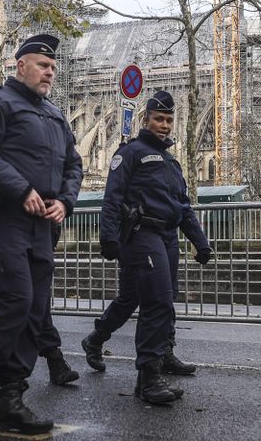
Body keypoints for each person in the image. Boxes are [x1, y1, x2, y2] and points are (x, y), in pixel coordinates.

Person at [0, 33, 83, 436]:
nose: (50, 72)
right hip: (4, 216)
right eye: (43, 65)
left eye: (53, 67)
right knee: (16, 300)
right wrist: (21, 189)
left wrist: (66, 200)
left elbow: (74, 164)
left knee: (35, 309)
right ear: (20, 64)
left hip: (42, 222)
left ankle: (11, 398)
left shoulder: (55, 115)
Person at [84, 90, 213, 405]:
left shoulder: (171, 162)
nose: (164, 125)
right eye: (158, 119)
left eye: (169, 120)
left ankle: (102, 341)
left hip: (167, 237)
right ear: (145, 120)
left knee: (134, 299)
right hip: (141, 236)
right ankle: (149, 376)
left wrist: (200, 242)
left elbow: (183, 207)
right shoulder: (130, 153)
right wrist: (108, 237)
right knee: (158, 302)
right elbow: (112, 198)